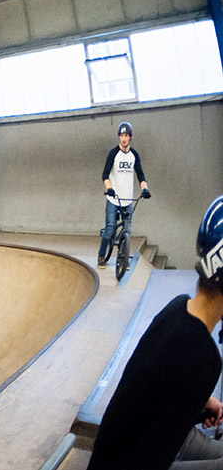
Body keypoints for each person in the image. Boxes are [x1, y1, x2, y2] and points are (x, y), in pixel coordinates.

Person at [87, 196, 223, 470]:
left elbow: (146, 388)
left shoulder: (176, 309)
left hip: (108, 455)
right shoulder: (205, 360)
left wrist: (198, 401)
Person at [98, 121, 151, 268]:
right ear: (119, 137)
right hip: (114, 199)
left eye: (126, 135)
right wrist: (109, 188)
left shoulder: (134, 155)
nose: (124, 138)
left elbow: (141, 175)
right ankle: (101, 256)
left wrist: (145, 189)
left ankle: (123, 259)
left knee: (127, 231)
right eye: (121, 135)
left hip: (127, 200)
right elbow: (105, 174)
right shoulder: (113, 153)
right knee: (109, 230)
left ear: (130, 137)